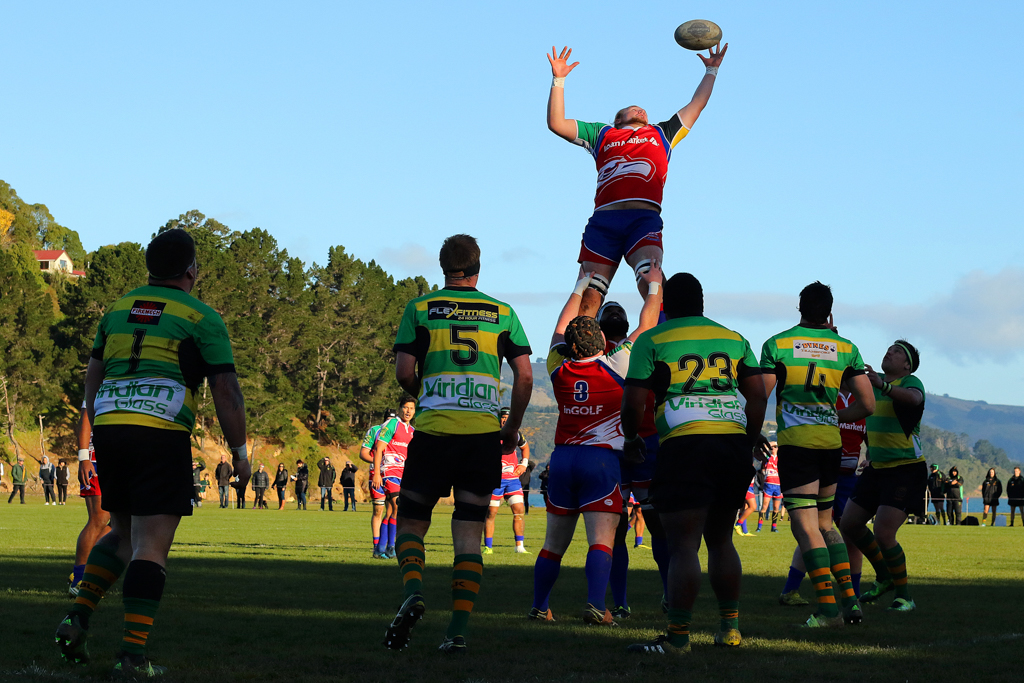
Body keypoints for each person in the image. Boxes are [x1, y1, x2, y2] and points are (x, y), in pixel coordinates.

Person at [55, 228, 249, 676]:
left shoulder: (118, 309)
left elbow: (93, 375)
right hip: (159, 431)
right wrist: (239, 451)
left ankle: (77, 617)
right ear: (191, 270)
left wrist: (90, 439)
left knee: (120, 533)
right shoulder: (201, 317)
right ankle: (131, 656)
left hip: (111, 426)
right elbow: (225, 388)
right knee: (151, 547)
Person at [384, 234, 533, 653]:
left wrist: (426, 390)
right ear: (478, 266)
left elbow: (403, 372)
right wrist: (512, 428)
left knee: (412, 521)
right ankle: (457, 632)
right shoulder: (503, 312)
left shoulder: (419, 309)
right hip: (483, 435)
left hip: (432, 432)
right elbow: (524, 376)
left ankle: (413, 590)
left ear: (442, 266)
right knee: (469, 533)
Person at [621, 272, 768, 654]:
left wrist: (633, 437)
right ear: (703, 302)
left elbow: (633, 400)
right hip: (731, 440)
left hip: (686, 443)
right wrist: (748, 439)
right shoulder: (734, 338)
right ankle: (729, 628)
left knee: (683, 544)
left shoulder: (653, 339)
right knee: (720, 539)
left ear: (667, 304)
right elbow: (757, 393)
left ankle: (679, 639)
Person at [545, 43, 726, 318]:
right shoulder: (602, 134)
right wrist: (559, 79)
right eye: (634, 110)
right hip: (604, 222)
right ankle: (581, 355)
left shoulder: (663, 133)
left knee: (651, 281)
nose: (642, 111)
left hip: (643, 219)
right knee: (589, 295)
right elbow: (557, 123)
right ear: (619, 119)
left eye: (644, 110)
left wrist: (711, 70)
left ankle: (665, 337)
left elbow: (696, 105)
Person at [531, 264, 661, 626]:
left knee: (553, 543)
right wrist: (653, 288)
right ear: (603, 340)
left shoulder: (558, 367)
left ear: (568, 347)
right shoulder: (617, 364)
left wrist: (579, 286)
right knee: (601, 541)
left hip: (563, 458)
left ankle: (540, 606)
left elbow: (561, 327)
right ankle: (595, 605)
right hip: (601, 461)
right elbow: (647, 324)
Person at [760, 282, 875, 628]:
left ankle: (828, 611)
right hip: (831, 445)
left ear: (799, 308)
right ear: (829, 311)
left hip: (797, 445)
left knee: (806, 527)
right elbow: (867, 404)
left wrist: (752, 435)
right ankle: (851, 603)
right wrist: (833, 417)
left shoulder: (777, 345)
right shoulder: (846, 348)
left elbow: (760, 395)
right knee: (826, 524)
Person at [597, 300, 669, 620]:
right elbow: (649, 317)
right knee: (650, 526)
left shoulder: (591, 356)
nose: (615, 313)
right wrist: (653, 285)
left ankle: (625, 601)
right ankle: (659, 596)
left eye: (616, 312)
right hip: (641, 444)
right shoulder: (639, 346)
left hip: (616, 447)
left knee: (621, 529)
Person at [840, 341, 925, 613]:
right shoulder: (871, 384)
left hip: (905, 469)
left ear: (907, 365)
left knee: (884, 532)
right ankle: (884, 576)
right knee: (849, 524)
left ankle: (904, 596)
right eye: (889, 348)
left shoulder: (911, 382)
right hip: (877, 467)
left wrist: (883, 385)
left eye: (898, 351)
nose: (890, 351)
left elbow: (914, 399)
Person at [779, 381, 867, 606]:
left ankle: (853, 594)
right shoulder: (828, 395)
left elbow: (870, 435)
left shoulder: (864, 401)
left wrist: (873, 456)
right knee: (813, 530)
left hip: (847, 479)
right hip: (822, 475)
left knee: (850, 536)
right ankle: (791, 589)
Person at [69, 407, 111, 598]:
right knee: (99, 517)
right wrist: (83, 458)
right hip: (97, 458)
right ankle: (79, 579)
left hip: (117, 456)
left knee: (121, 522)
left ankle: (89, 575)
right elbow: (85, 418)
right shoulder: (99, 378)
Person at [373, 396, 416, 558]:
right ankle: (391, 547)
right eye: (405, 408)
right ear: (400, 409)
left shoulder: (412, 431)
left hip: (404, 475)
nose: (408, 411)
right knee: (398, 506)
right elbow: (379, 449)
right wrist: (377, 473)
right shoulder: (392, 424)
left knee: (391, 511)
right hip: (389, 472)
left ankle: (379, 549)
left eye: (411, 408)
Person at [483, 408, 531, 554]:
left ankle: (519, 547)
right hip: (495, 480)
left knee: (519, 511)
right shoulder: (491, 434)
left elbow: (525, 448)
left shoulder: (516, 434)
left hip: (512, 480)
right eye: (503, 417)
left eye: (507, 418)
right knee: (491, 513)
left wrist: (523, 464)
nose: (505, 420)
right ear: (499, 419)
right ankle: (488, 547)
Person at [360, 409, 397, 555]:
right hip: (377, 475)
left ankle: (387, 545)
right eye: (388, 419)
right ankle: (376, 545)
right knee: (378, 510)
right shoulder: (375, 430)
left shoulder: (398, 430)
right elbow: (363, 453)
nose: (390, 423)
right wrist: (379, 462)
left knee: (392, 510)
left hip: (393, 475)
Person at [756, 444, 782, 532]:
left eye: (775, 447)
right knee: (764, 506)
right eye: (772, 447)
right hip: (768, 485)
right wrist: (770, 445)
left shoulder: (780, 459)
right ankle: (759, 527)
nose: (773, 448)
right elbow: (761, 451)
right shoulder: (767, 457)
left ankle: (774, 527)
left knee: (776, 508)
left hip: (778, 485)